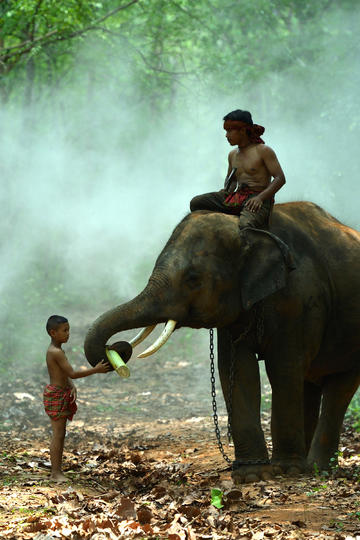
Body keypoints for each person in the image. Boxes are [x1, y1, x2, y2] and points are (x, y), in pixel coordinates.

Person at [190, 109, 286, 229]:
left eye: (230, 131)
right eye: (226, 131)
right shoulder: (232, 154)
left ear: (242, 130)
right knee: (196, 202)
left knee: (246, 225)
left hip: (257, 198)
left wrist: (260, 198)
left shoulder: (263, 150)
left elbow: (280, 178)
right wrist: (226, 190)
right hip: (236, 196)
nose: (226, 135)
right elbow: (233, 180)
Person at [44, 314, 110, 482]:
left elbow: (62, 374)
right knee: (58, 434)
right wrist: (96, 370)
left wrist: (71, 385)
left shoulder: (57, 350)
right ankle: (55, 473)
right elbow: (72, 373)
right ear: (53, 332)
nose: (68, 334)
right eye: (64, 331)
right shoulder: (55, 352)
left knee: (61, 433)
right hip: (56, 395)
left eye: (68, 330)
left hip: (61, 392)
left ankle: (57, 471)